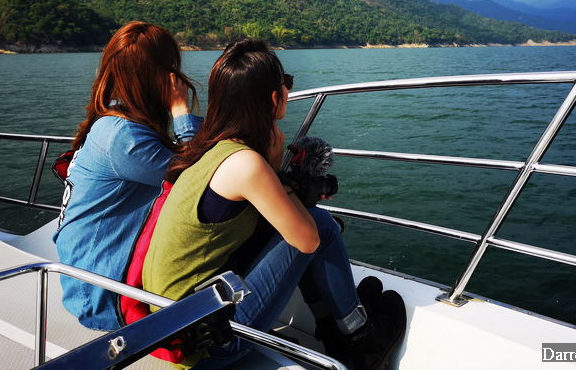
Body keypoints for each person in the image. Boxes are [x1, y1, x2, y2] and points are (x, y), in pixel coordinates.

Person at [143, 38, 407, 370]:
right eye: (287, 84)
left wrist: (277, 175)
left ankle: (333, 330)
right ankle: (364, 339)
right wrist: (277, 174)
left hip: (180, 324)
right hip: (210, 345)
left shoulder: (211, 148)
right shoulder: (246, 164)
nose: (288, 90)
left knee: (294, 223)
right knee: (319, 226)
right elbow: (308, 239)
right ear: (273, 98)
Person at [54, 21, 202, 330]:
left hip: (92, 282)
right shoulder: (124, 136)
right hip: (103, 298)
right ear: (160, 75)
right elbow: (196, 181)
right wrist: (181, 112)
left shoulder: (114, 121)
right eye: (171, 67)